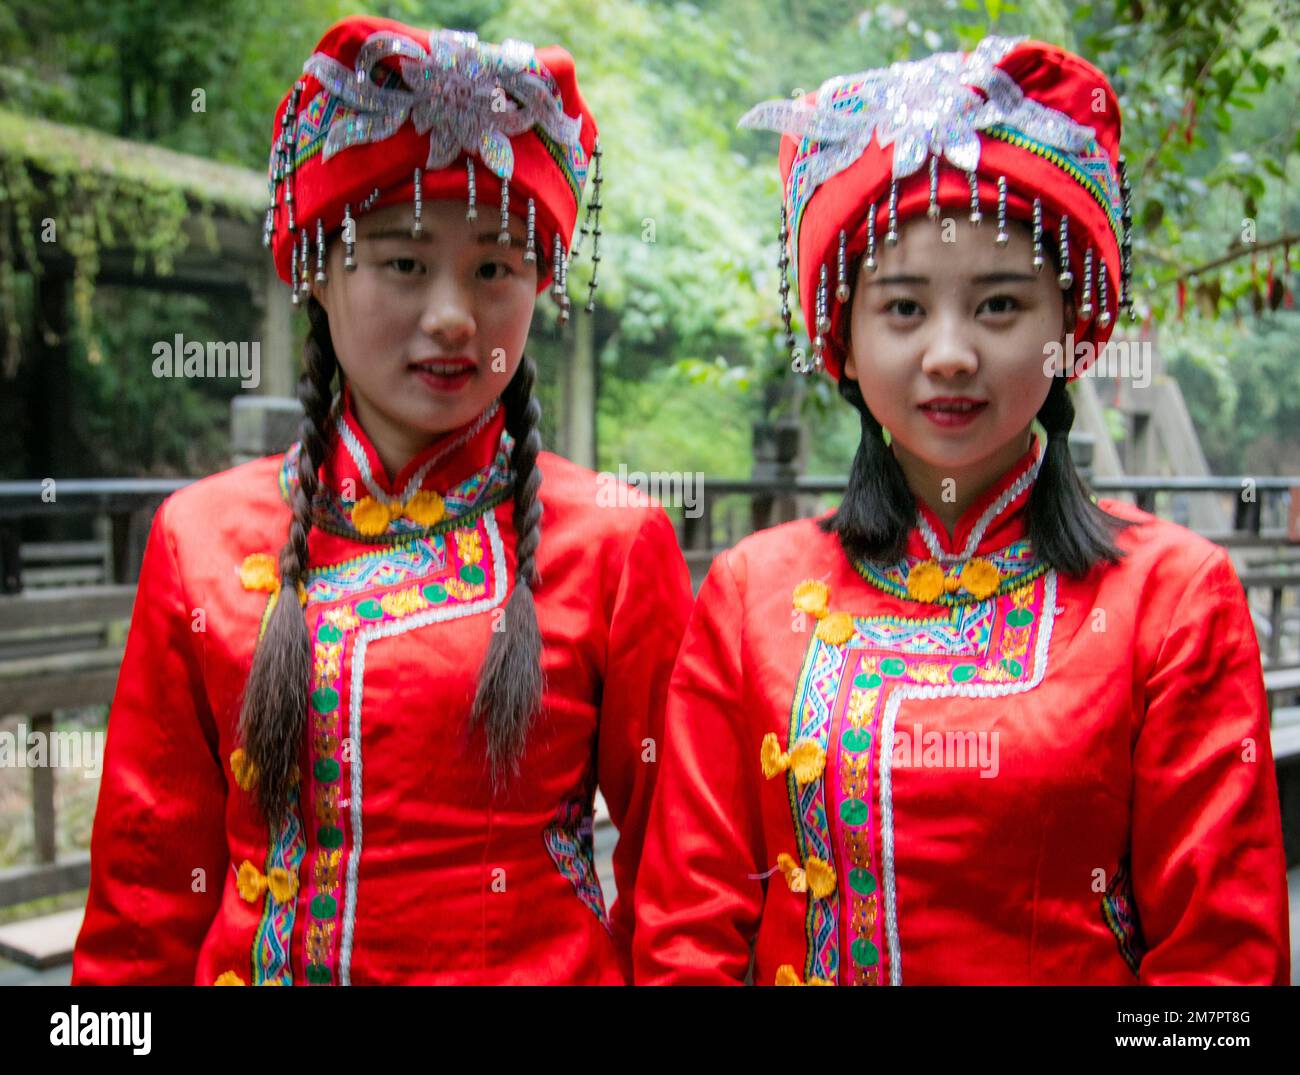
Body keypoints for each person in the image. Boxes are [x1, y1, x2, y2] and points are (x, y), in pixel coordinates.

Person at [634, 35, 1290, 985]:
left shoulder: (1174, 597)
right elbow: (684, 935)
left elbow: (1221, 970)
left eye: (999, 305)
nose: (949, 354)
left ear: (1069, 329)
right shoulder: (750, 592)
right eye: (903, 308)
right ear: (843, 340)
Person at [72, 15, 692, 985]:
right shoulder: (198, 537)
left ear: (541, 284)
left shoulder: (617, 540)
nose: (452, 314)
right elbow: (146, 892)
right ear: (315, 268)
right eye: (404, 262)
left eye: (495, 266)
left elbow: (677, 889)